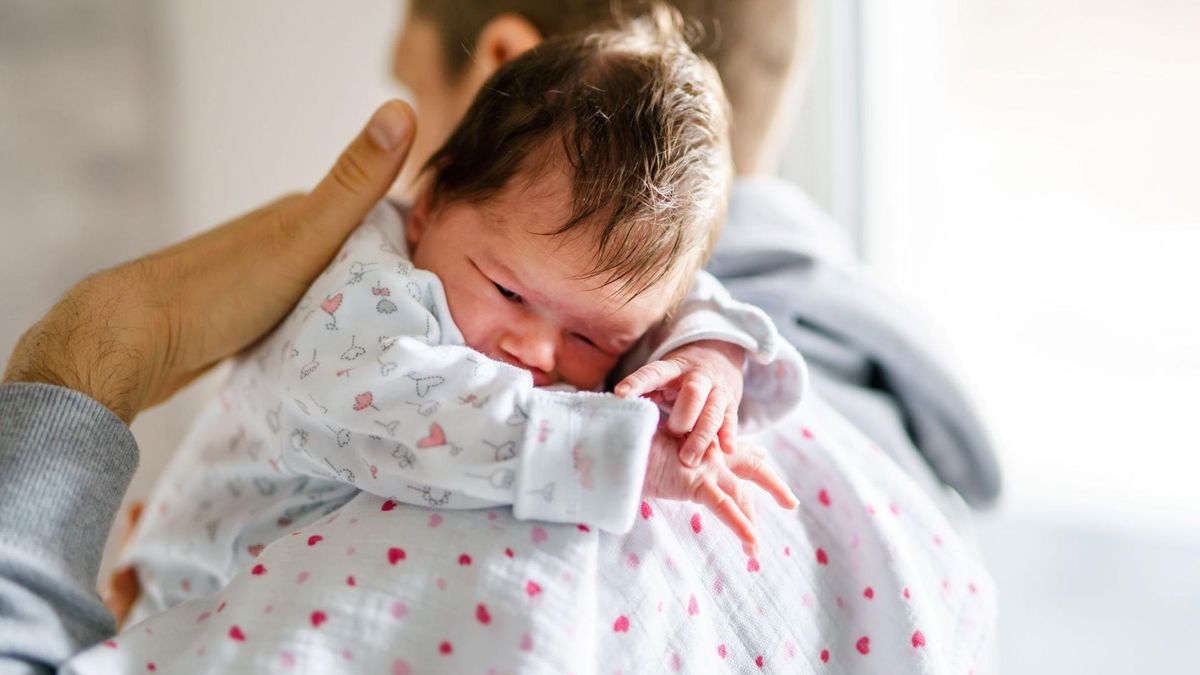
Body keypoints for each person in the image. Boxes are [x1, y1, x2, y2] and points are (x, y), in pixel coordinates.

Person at [115, 13, 805, 630]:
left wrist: (708, 353)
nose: (535, 350)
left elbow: (671, 305)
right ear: (430, 204)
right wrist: (625, 452)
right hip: (187, 588)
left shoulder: (536, 267)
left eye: (591, 338)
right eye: (508, 292)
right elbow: (422, 409)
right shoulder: (362, 298)